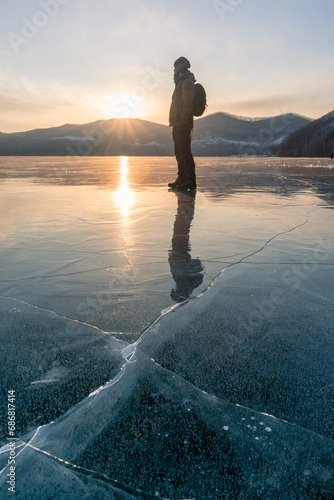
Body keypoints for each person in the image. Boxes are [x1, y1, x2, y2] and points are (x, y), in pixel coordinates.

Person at [168, 56, 196, 191]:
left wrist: (184, 121)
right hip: (177, 122)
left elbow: (188, 104)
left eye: (175, 67)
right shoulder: (180, 83)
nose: (174, 70)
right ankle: (182, 178)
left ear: (180, 68)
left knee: (185, 152)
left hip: (182, 123)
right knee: (179, 152)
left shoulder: (186, 83)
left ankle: (190, 180)